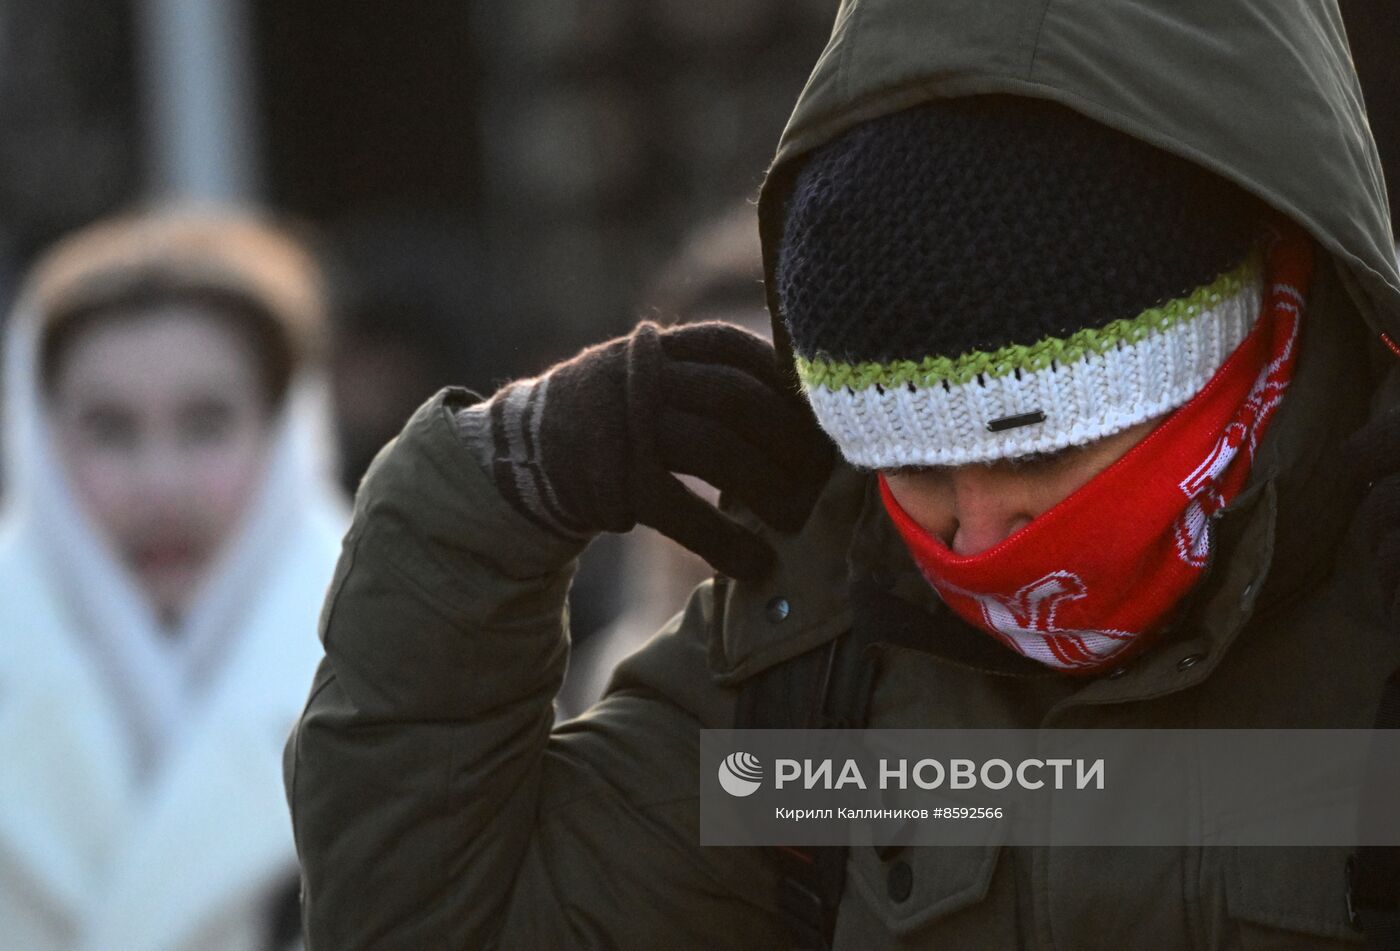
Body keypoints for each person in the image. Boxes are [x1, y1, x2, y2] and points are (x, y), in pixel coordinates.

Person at [285, 1, 1400, 948]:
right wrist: (482, 506)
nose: (975, 534)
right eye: (908, 464)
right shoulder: (814, 667)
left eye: (1037, 450)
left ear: (1226, 353)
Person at [0, 208, 347, 950]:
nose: (161, 486)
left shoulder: (408, 662)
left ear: (284, 433)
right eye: (110, 428)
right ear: (39, 434)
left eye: (206, 423)